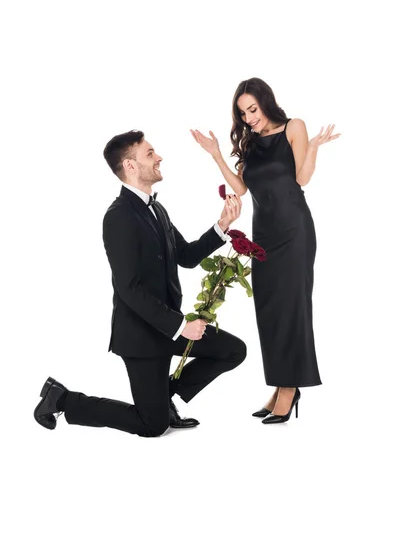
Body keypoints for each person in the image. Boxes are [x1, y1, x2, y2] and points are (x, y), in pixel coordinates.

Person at [33, 130, 246, 437]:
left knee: (233, 350)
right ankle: (62, 398)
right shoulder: (118, 216)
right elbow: (128, 288)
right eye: (150, 153)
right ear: (130, 166)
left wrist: (222, 224)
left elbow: (185, 256)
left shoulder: (156, 209)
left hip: (168, 328)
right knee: (153, 425)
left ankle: (164, 395)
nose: (158, 157)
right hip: (141, 336)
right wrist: (180, 325)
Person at [191, 78, 340, 424]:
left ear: (266, 103)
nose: (249, 118)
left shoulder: (294, 127)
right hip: (263, 238)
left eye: (253, 110)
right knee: (268, 310)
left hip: (294, 232)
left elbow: (302, 179)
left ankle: (290, 388)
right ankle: (279, 383)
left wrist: (314, 146)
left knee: (292, 307)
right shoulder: (251, 143)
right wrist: (215, 154)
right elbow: (242, 189)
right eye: (243, 113)